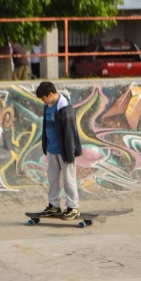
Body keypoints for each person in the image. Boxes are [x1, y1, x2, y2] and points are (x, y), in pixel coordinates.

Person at [36, 81, 82, 220]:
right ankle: (54, 205)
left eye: (43, 98)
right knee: (53, 179)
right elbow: (46, 126)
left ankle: (73, 207)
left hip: (65, 151)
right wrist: (46, 145)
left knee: (69, 179)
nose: (43, 101)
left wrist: (69, 153)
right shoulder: (48, 105)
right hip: (52, 149)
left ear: (50, 94)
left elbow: (70, 133)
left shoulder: (65, 108)